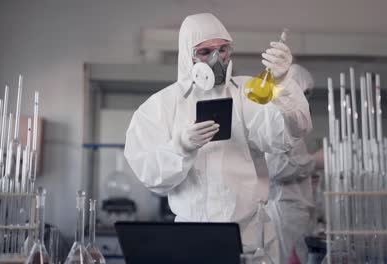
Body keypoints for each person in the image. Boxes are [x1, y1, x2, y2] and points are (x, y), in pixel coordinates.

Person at [124, 13, 311, 261]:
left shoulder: (247, 94)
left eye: (222, 50)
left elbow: (287, 134)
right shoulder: (161, 106)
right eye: (205, 52)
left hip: (250, 241)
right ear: (186, 54)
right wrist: (180, 148)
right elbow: (149, 174)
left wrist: (282, 83)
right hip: (192, 240)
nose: (216, 59)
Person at [266, 65, 316, 264]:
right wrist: (314, 162)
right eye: (303, 94)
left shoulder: (294, 123)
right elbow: (276, 168)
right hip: (285, 210)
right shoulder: (277, 118)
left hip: (295, 209)